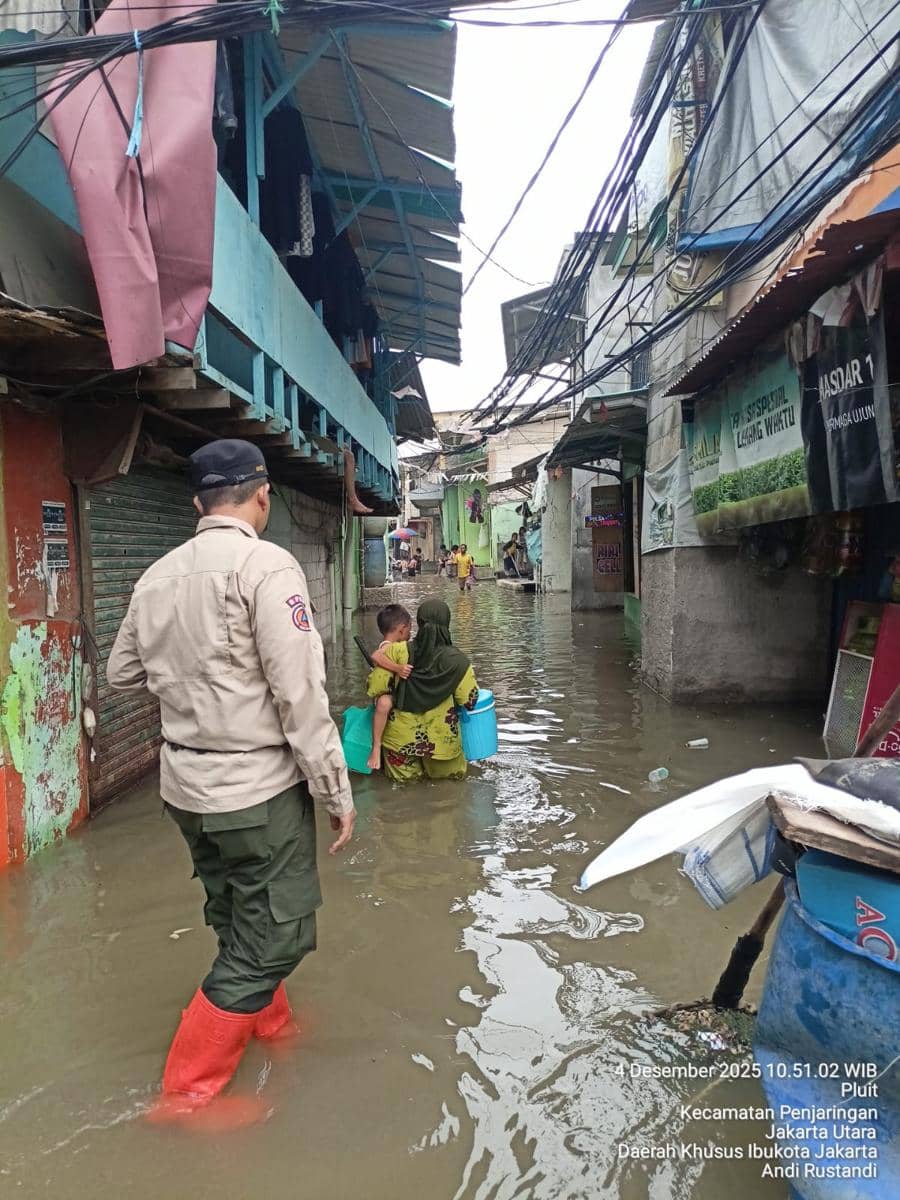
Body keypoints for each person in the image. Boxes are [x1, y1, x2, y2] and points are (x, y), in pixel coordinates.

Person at [107, 439, 355, 1121]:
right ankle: (185, 1098)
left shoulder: (156, 576)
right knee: (277, 936)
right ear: (263, 496)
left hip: (184, 788)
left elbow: (121, 675)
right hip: (255, 791)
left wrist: (188, 675)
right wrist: (336, 793)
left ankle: (270, 1027)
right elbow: (301, 697)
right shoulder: (266, 566)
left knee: (239, 917)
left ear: (196, 503)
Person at [366, 599, 479, 782]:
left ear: (419, 623)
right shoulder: (459, 661)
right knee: (448, 793)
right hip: (442, 743)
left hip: (399, 741)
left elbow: (374, 687)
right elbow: (470, 701)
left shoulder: (397, 651)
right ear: (446, 623)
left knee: (402, 795)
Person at [366, 604, 413, 771]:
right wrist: (398, 669)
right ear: (402, 629)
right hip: (385, 695)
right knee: (384, 703)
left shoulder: (393, 646)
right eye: (409, 631)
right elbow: (375, 656)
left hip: (392, 690)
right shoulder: (387, 647)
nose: (409, 635)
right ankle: (376, 747)